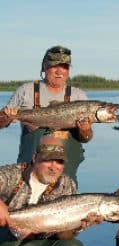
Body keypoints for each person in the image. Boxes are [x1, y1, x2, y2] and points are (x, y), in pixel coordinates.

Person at [0, 135, 102, 246]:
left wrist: (78, 225)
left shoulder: (67, 185)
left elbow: (64, 236)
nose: (54, 167)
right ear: (35, 158)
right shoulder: (11, 175)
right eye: (48, 160)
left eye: (60, 162)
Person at [0, 45, 93, 185]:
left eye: (65, 67)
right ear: (44, 66)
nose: (59, 71)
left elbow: (86, 138)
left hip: (65, 174)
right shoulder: (26, 91)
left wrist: (85, 130)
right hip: (29, 171)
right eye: (54, 66)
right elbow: (1, 123)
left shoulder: (78, 95)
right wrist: (6, 117)